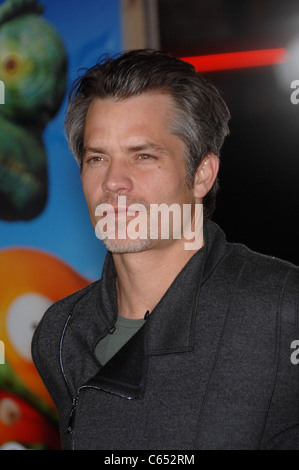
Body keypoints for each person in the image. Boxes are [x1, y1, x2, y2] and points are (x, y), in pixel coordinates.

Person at [32, 49, 299, 450]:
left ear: (201, 175)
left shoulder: (282, 309)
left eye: (143, 156)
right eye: (98, 157)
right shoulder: (60, 333)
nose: (114, 182)